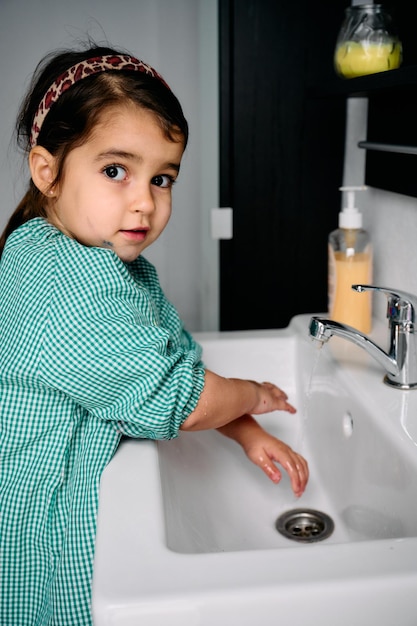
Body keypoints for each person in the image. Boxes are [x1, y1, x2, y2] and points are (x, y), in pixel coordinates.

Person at [0, 43, 309, 625]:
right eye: (115, 170)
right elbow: (180, 399)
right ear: (49, 171)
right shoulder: (62, 283)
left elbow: (176, 361)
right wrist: (254, 394)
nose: (144, 201)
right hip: (34, 521)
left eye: (162, 178)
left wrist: (243, 432)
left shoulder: (104, 262)